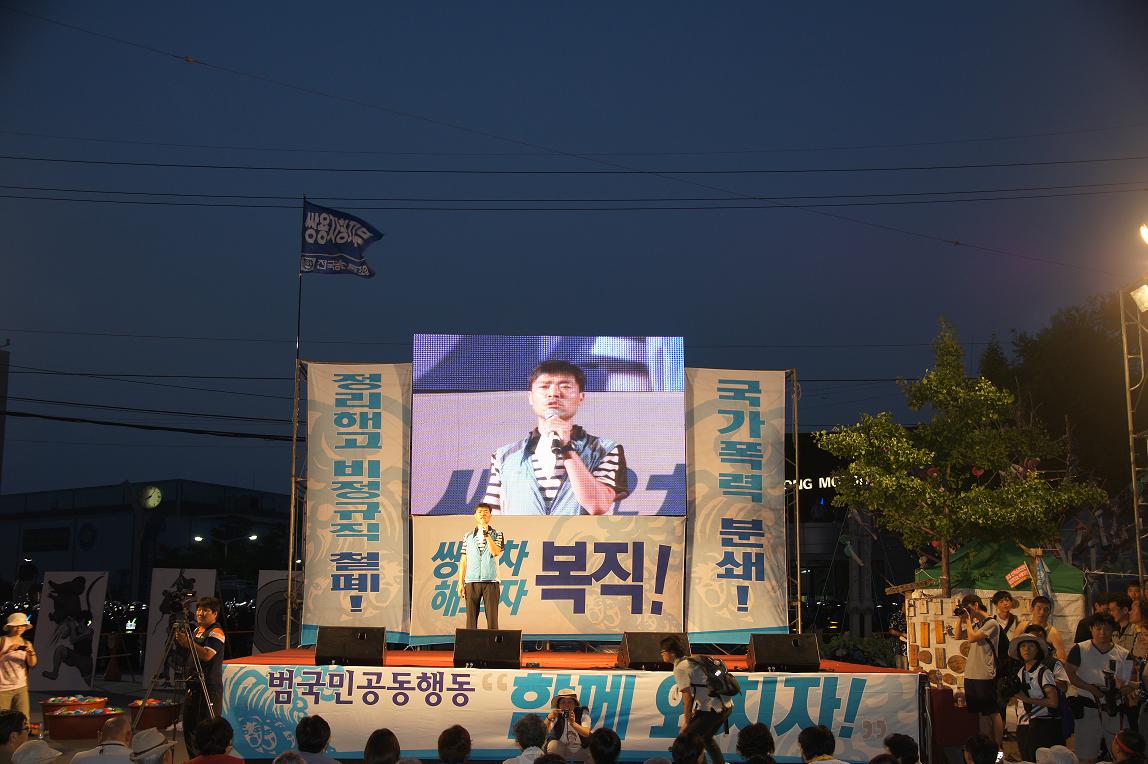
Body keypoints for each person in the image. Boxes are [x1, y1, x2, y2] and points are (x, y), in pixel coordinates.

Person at [482, 360, 629, 516]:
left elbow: (598, 505)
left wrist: (567, 448)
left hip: (580, 533)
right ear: (530, 397)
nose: (554, 393)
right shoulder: (505, 455)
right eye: (544, 387)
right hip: (522, 533)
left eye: (565, 386)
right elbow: (490, 518)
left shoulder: (605, 449)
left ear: (581, 397)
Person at [1065, 612, 1135, 764]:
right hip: (1088, 708)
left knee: (1123, 755)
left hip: (1114, 709)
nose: (1102, 633)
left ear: (1113, 630)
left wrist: (1118, 692)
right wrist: (1090, 688)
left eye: (1107, 629)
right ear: (1091, 629)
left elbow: (1128, 682)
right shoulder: (1080, 649)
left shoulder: (1124, 654)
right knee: (1086, 756)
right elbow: (1070, 674)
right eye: (1098, 628)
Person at [661, 636, 732, 764]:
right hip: (725, 705)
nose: (661, 654)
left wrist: (686, 722)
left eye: (663, 651)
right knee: (706, 738)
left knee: (690, 740)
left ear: (671, 653)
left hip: (713, 708)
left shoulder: (681, 668)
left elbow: (687, 697)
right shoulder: (691, 661)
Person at [174, 597, 226, 758]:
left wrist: (188, 642)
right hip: (193, 685)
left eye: (205, 610)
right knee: (189, 727)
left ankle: (207, 759)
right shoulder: (197, 630)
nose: (200, 613)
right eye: (198, 609)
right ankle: (194, 759)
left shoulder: (216, 632)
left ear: (214, 613)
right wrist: (182, 642)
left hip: (208, 687)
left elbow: (207, 655)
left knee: (207, 728)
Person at [1008, 633, 1065, 761]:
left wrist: (1026, 699)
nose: (1026, 649)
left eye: (1031, 646)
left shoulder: (1044, 672)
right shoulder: (1020, 672)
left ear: (1038, 649)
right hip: (1023, 725)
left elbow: (1053, 702)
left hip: (1042, 725)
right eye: (1023, 646)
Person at [957, 594, 1004, 745]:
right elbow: (958, 636)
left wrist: (968, 620)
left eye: (968, 608)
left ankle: (999, 748)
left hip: (985, 675)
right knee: (981, 714)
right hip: (971, 674)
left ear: (976, 605)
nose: (967, 611)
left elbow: (971, 638)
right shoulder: (978, 625)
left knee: (992, 712)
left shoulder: (992, 623)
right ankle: (986, 747)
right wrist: (961, 618)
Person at [457, 504, 506, 630]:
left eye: (485, 511)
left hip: (491, 581)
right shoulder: (468, 536)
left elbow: (495, 552)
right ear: (475, 515)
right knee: (471, 619)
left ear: (490, 515)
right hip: (471, 581)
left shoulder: (498, 534)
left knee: (492, 618)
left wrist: (487, 534)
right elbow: (463, 561)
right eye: (479, 512)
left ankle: (493, 642)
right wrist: (460, 583)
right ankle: (471, 642)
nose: (483, 514)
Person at [0, 615, 36, 716]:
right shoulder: (2, 640)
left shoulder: (26, 643)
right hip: (2, 688)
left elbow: (32, 663)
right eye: (16, 625)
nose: (19, 628)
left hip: (21, 686)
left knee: (23, 718)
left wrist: (31, 652)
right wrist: (8, 650)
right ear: (9, 627)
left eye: (22, 625)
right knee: (3, 719)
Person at [545, 689, 591, 762]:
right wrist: (549, 717)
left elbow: (586, 733)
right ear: (559, 705)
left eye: (570, 702)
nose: (566, 705)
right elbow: (543, 732)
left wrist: (573, 723)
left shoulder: (583, 713)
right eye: (563, 702)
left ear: (575, 704)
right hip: (562, 749)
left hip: (581, 748)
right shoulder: (556, 714)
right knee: (552, 746)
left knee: (594, 749)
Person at [1018, 597, 1068, 662]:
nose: (1042, 612)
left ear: (1049, 612)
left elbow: (1062, 659)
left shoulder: (1053, 633)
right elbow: (1013, 649)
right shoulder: (1022, 626)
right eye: (1039, 608)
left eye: (1046, 609)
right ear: (1032, 609)